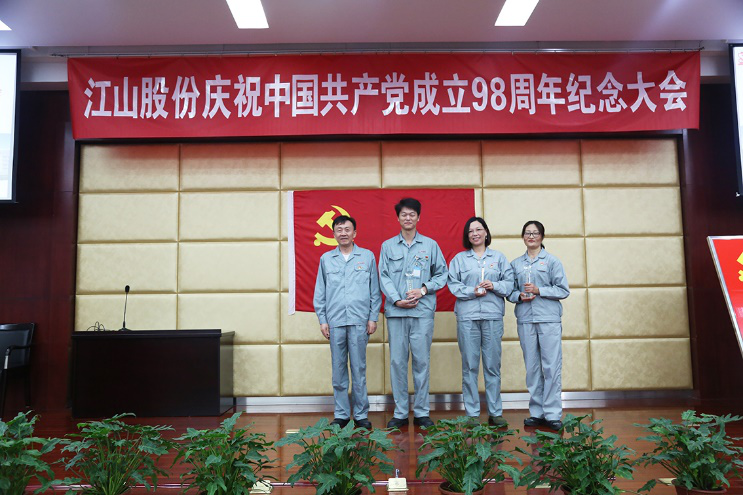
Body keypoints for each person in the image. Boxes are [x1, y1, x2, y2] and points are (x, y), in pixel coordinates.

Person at [379, 198, 448, 429]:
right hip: (396, 313)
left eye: (412, 214)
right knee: (397, 362)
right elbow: (383, 276)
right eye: (404, 214)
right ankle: (400, 412)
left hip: (422, 312)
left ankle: (421, 412)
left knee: (421, 362)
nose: (408, 218)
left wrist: (424, 290)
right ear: (398, 218)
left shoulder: (430, 245)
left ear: (419, 217)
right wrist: (396, 299)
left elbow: (442, 274)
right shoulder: (388, 246)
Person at [313, 215, 381, 430]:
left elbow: (375, 291)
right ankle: (341, 414)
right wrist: (323, 320)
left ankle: (361, 415)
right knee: (338, 369)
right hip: (335, 322)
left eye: (347, 229)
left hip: (360, 321)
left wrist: (373, 317)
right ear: (334, 234)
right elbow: (320, 292)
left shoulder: (367, 257)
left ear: (355, 233)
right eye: (339, 230)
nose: (343, 233)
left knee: (359, 369)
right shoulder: (326, 259)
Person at [447, 217, 514, 427]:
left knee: (492, 365)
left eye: (478, 229)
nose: (475, 234)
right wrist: (471, 291)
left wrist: (494, 285)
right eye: (470, 231)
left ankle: (495, 412)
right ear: (467, 236)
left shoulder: (499, 258)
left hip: (492, 316)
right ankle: (472, 413)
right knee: (469, 366)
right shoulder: (459, 259)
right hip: (467, 317)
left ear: (486, 232)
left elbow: (510, 284)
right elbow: (453, 285)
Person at [508, 220, 570, 431]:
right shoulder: (516, 264)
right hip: (526, 319)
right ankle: (537, 412)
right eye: (527, 233)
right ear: (522, 237)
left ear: (542, 237)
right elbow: (509, 292)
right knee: (532, 367)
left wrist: (539, 290)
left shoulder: (552, 261)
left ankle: (552, 414)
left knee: (551, 366)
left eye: (535, 233)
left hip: (548, 319)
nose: (531, 236)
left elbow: (563, 290)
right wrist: (519, 295)